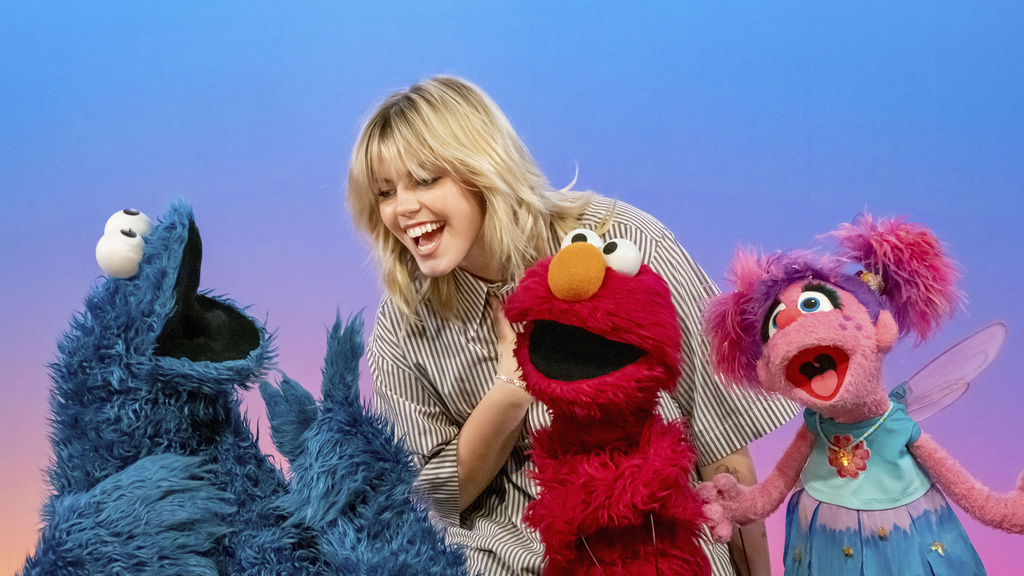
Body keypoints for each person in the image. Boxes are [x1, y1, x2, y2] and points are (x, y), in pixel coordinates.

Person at [346, 74, 796, 576]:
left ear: (483, 168)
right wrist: (510, 389)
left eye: (426, 180)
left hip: (655, 546)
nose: (403, 208)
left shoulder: (623, 243)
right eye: (385, 192)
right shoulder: (402, 325)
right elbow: (428, 501)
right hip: (506, 562)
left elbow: (721, 440)